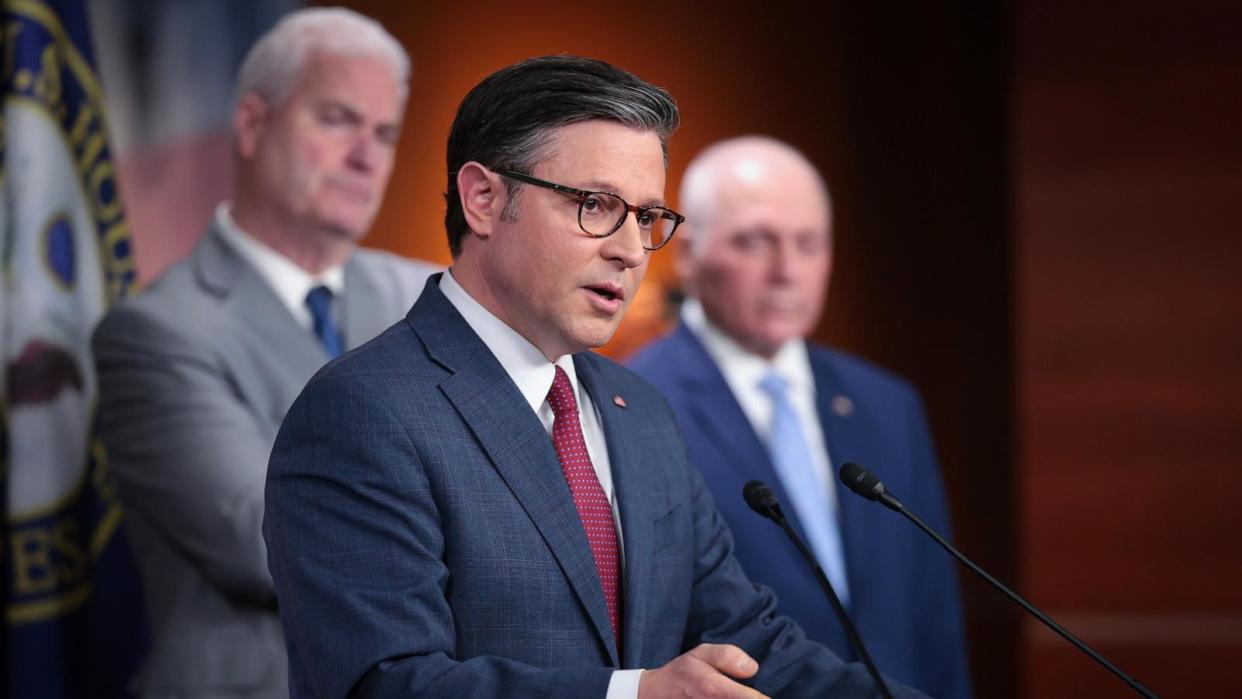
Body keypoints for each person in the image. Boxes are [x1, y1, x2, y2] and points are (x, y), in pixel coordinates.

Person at [263, 57, 927, 698]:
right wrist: (630, 695)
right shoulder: (363, 410)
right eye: (596, 204)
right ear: (485, 199)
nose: (632, 251)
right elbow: (383, 682)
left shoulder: (638, 409)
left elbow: (749, 642)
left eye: (645, 217)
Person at [92, 8, 437, 697]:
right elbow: (274, 542)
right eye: (338, 119)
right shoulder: (157, 332)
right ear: (252, 125)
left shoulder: (427, 297)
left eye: (385, 133)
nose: (366, 156)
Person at [627, 136, 972, 698]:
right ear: (688, 254)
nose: (787, 270)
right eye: (756, 242)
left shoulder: (888, 404)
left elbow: (934, 622)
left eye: (809, 244)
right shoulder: (637, 403)